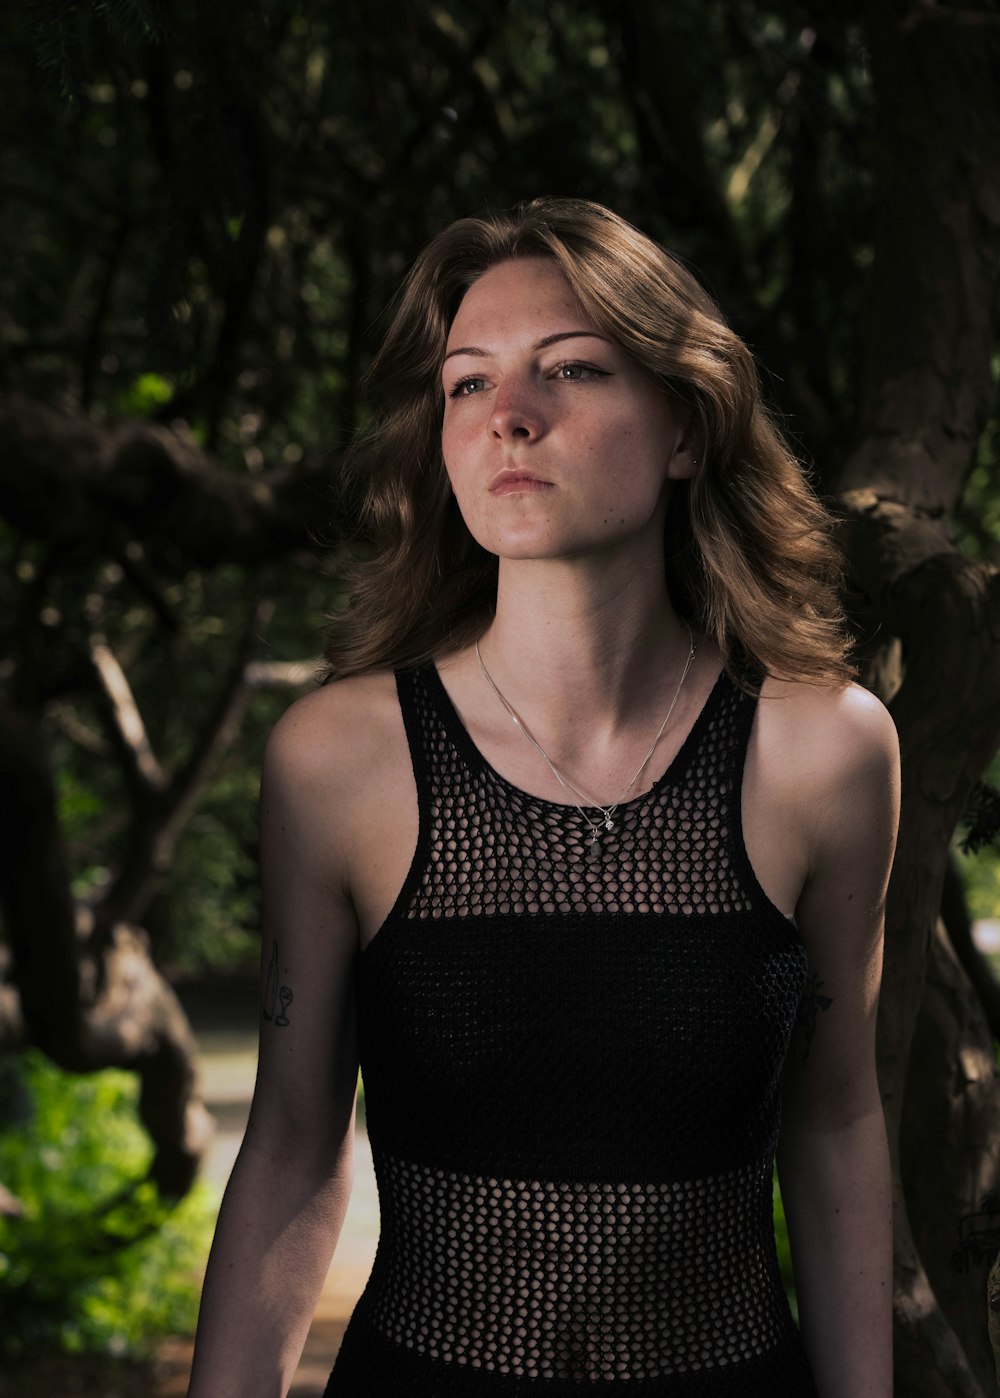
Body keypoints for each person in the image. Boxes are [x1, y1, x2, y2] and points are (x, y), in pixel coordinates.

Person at [187, 197, 898, 1398]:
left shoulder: (825, 752)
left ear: (683, 427)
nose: (510, 415)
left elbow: (833, 1124)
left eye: (571, 369)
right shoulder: (336, 758)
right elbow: (294, 1142)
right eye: (468, 385)